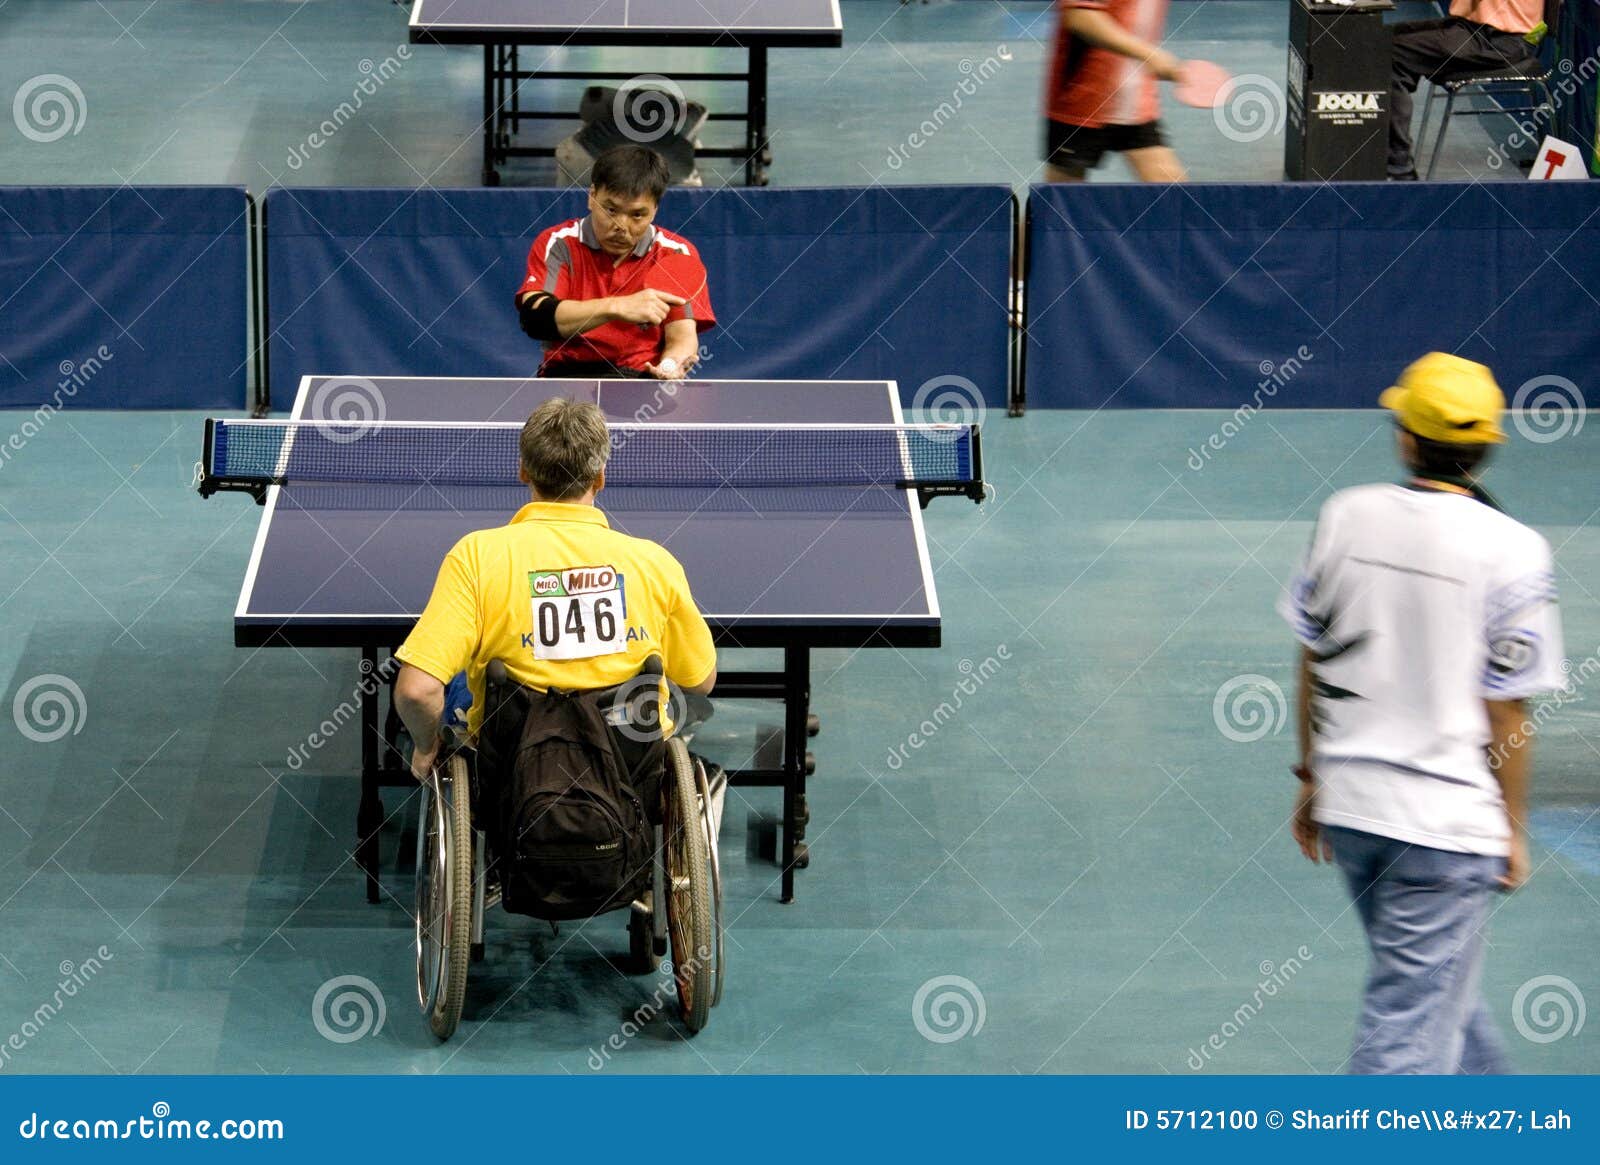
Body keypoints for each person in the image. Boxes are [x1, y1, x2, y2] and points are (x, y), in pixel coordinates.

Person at [1280, 352, 1565, 1074]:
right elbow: (1506, 711)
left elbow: (1314, 656)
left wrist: (1313, 775)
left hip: (1354, 813)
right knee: (1407, 1036)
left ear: (1406, 438)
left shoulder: (1345, 514)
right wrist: (1514, 827)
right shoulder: (1517, 550)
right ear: (1488, 449)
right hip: (1444, 833)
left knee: (1445, 1006)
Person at [393, 396, 718, 783]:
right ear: (600, 477)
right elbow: (701, 682)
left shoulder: (476, 557)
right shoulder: (655, 563)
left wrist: (427, 746)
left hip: (515, 766)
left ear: (523, 472)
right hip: (627, 765)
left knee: (463, 679)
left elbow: (417, 692)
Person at [515, 145, 715, 379]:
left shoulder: (676, 253)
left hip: (641, 378)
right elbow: (535, 319)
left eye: (637, 215)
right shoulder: (559, 243)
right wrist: (617, 307)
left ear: (655, 210)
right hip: (566, 375)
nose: (621, 225)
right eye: (610, 209)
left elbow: (682, 338)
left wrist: (671, 364)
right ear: (592, 197)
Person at [1388, 1, 1544, 180]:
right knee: (1383, 35)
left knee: (1391, 52)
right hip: (1476, 27)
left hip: (1501, 40)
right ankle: (1384, 154)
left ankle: (1399, 169)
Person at [1043, 0, 1188, 182]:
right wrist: (1148, 55)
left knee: (1175, 195)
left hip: (1136, 102)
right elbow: (1080, 17)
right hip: (1082, 101)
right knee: (1059, 202)